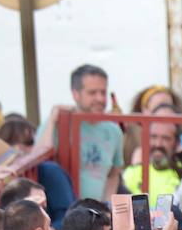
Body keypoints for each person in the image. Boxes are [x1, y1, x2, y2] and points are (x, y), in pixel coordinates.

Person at [40, 65, 123, 202]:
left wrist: (106, 206)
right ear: (75, 94)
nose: (100, 99)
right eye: (92, 93)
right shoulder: (60, 123)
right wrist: (52, 120)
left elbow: (113, 174)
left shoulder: (114, 130)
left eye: (103, 92)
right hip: (65, 212)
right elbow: (39, 157)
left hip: (97, 216)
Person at [121, 118, 182, 199]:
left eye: (166, 138)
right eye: (153, 137)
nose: (158, 144)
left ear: (177, 143)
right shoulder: (132, 173)